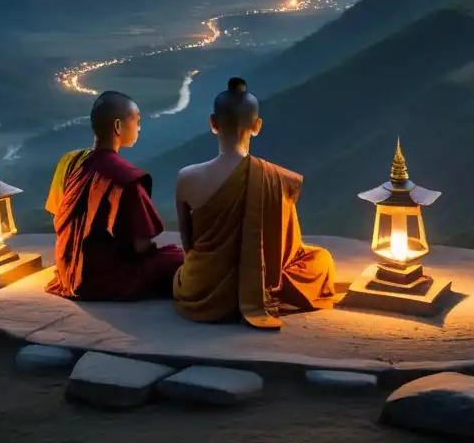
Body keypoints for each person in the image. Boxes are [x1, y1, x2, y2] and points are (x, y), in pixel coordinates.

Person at [173, 77, 336, 328]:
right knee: (321, 259)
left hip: (200, 289)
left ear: (213, 124)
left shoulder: (186, 178)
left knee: (180, 268)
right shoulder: (277, 179)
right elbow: (289, 250)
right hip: (257, 283)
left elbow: (189, 244)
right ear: (257, 126)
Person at [45, 90, 183, 301]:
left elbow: (57, 215)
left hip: (67, 271)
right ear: (118, 126)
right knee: (178, 258)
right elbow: (141, 246)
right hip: (101, 279)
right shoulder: (125, 177)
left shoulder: (70, 162)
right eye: (136, 121)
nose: (139, 127)